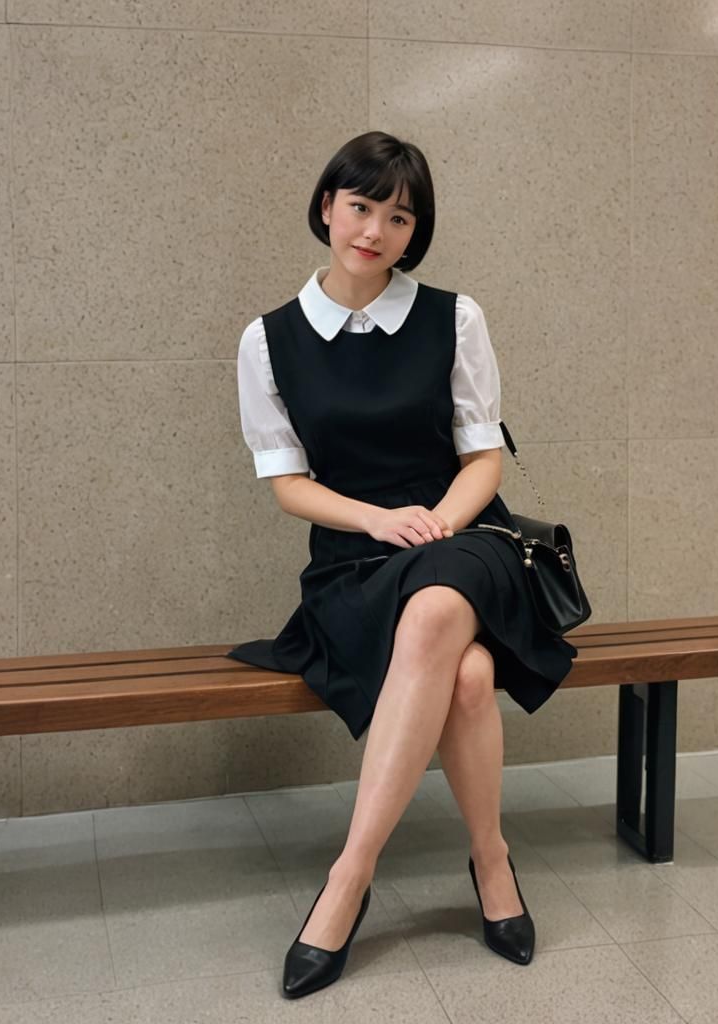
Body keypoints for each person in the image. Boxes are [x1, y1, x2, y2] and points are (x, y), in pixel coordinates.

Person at [226, 130, 580, 999]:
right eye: (361, 207)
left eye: (398, 215)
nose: (376, 230)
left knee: (435, 609)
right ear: (327, 208)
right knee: (465, 676)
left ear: (414, 231)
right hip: (351, 560)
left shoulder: (454, 319)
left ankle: (348, 881)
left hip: (469, 541)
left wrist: (434, 529)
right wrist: (383, 523)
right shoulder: (268, 340)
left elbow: (483, 461)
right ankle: (491, 861)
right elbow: (290, 486)